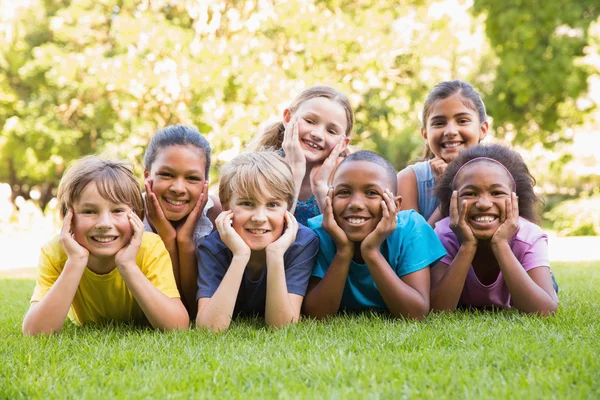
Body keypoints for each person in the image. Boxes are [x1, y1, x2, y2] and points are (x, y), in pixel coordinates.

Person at [22, 156, 189, 335]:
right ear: (68, 218)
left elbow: (177, 326)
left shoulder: (149, 248)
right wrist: (76, 261)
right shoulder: (55, 253)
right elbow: (34, 333)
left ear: (137, 215)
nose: (104, 223)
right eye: (88, 211)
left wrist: (127, 265)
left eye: (117, 210)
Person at [303, 150, 446, 319]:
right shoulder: (318, 232)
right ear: (330, 199)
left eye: (371, 193)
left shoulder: (411, 228)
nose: (355, 204)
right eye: (344, 192)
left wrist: (371, 251)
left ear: (396, 205)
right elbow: (315, 315)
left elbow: (415, 313)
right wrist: (343, 250)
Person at [195, 151, 319, 332]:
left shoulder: (302, 242)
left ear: (288, 208)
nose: (260, 217)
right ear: (227, 206)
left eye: (272, 205)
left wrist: (276, 255)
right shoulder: (212, 248)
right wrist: (240, 255)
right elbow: (209, 329)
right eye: (247, 203)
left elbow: (282, 327)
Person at [430, 144, 558, 315]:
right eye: (470, 193)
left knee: (546, 284)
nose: (483, 204)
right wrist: (467, 245)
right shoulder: (444, 234)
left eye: (497, 193)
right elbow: (437, 311)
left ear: (515, 200)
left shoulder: (529, 236)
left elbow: (545, 311)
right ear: (454, 201)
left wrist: (501, 244)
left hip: (529, 278)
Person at [143, 125, 222, 315]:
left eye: (192, 178)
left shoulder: (215, 215)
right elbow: (171, 303)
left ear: (205, 184)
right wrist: (167, 238)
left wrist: (185, 241)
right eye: (166, 174)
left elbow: (195, 309)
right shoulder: (130, 214)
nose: (178, 188)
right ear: (147, 176)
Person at [250, 85, 354, 226]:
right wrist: (295, 172)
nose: (317, 134)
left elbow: (344, 240)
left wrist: (320, 187)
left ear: (343, 143)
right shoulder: (259, 168)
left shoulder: (347, 177)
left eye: (331, 131)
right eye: (310, 121)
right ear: (288, 118)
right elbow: (269, 230)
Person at [397, 80, 489, 226]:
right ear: (425, 134)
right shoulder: (409, 180)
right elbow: (413, 247)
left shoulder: (502, 175)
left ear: (482, 129)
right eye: (439, 123)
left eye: (462, 121)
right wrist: (446, 193)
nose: (451, 131)